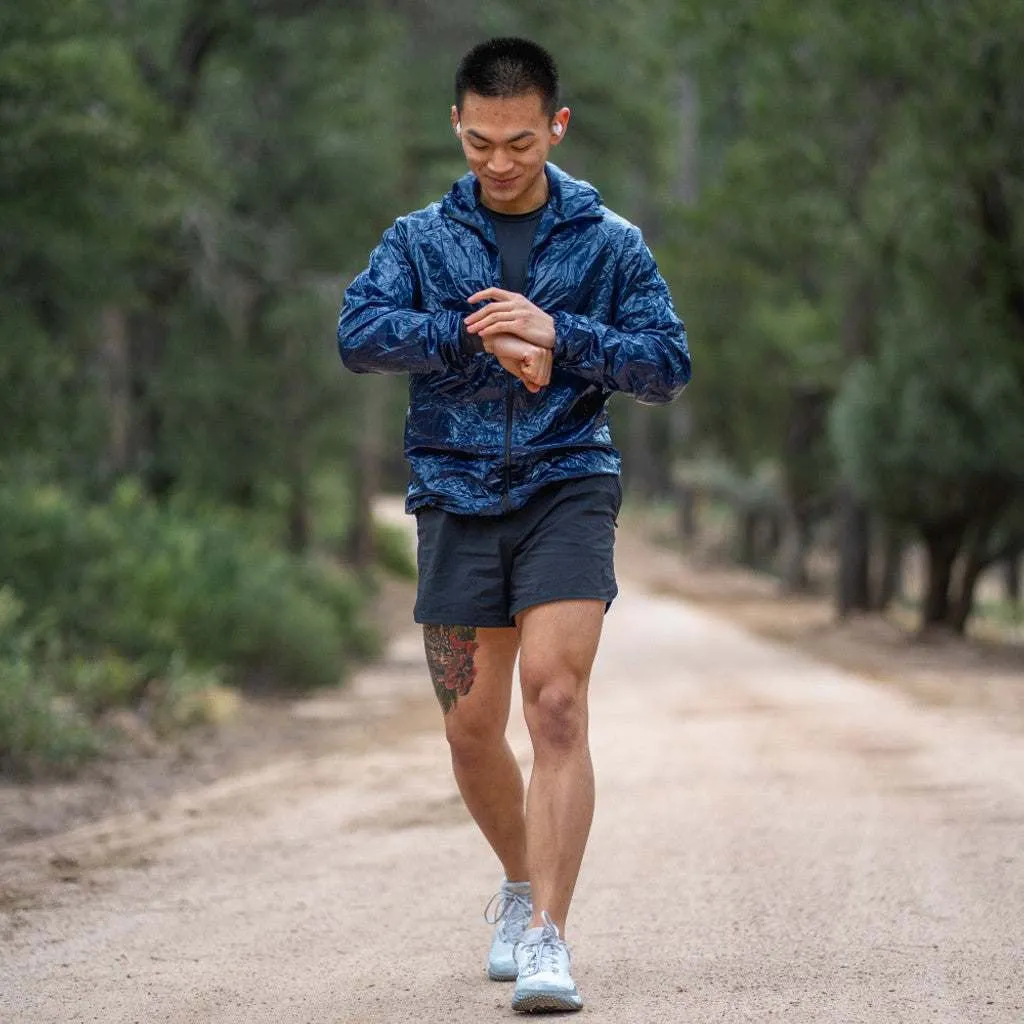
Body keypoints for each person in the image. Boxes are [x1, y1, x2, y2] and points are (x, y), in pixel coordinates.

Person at [337, 36, 690, 1014]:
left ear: (557, 128)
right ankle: (520, 883)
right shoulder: (417, 240)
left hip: (567, 484)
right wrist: (472, 331)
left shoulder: (608, 240)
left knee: (556, 705)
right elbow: (357, 333)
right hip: (453, 496)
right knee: (468, 729)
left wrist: (560, 335)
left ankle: (549, 939)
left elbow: (667, 361)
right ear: (456, 124)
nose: (499, 162)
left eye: (521, 143)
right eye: (481, 141)